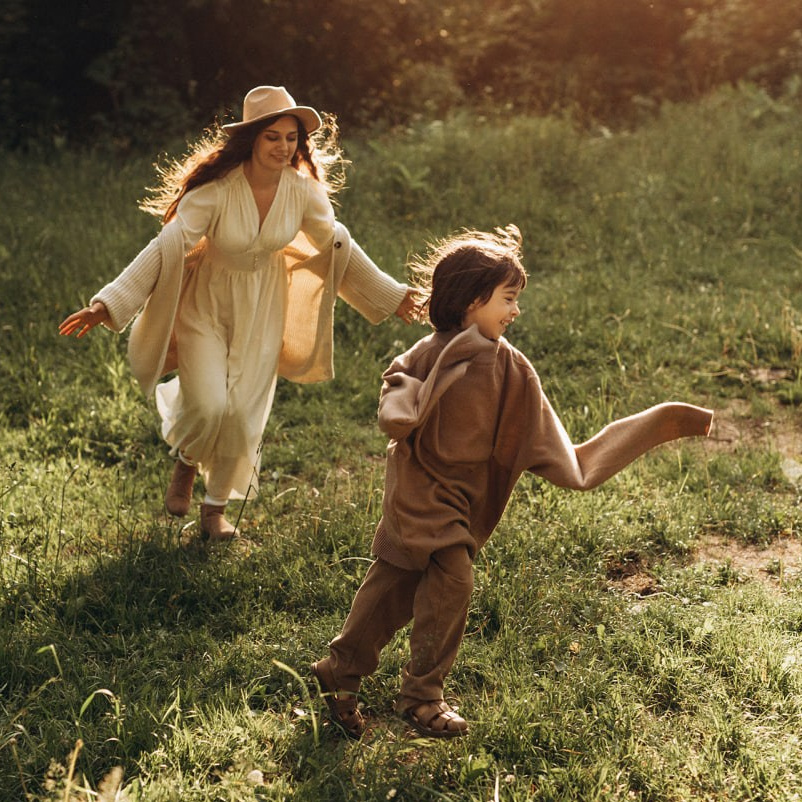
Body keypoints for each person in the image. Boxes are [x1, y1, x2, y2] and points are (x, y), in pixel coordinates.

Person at [311, 224, 713, 739]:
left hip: (464, 497)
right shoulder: (429, 352)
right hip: (419, 490)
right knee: (448, 581)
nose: (516, 310)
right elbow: (399, 384)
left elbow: (545, 433)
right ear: (470, 300)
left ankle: (340, 671)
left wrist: (650, 430)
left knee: (393, 587)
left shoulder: (511, 366)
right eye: (508, 298)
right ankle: (421, 695)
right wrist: (399, 409)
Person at [59, 85, 416, 541]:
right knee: (209, 404)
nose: (283, 147)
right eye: (272, 137)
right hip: (206, 305)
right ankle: (188, 459)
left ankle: (215, 510)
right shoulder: (217, 190)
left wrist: (390, 294)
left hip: (263, 308)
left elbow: (336, 244)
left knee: (243, 414)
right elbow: (169, 245)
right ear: (251, 139)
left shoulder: (302, 192)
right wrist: (107, 302)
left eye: (291, 138)